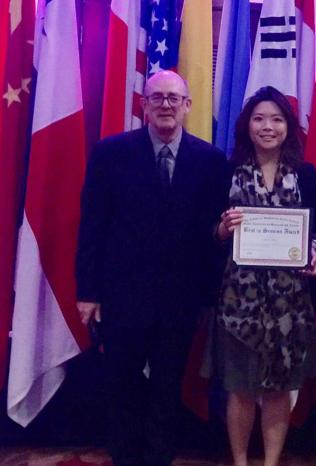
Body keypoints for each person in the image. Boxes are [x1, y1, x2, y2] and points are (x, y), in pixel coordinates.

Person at [75, 70, 229, 466]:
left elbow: (213, 233)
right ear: (143, 104)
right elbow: (92, 225)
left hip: (180, 300)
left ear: (188, 106)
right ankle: (125, 459)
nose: (165, 105)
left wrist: (212, 294)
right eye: (156, 97)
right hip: (121, 297)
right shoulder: (110, 154)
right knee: (122, 388)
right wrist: (87, 291)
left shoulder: (210, 161)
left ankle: (159, 459)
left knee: (167, 389)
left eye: (173, 98)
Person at [207, 86, 316, 466]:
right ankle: (241, 461)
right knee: (241, 389)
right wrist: (223, 231)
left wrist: (312, 251)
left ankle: (271, 461)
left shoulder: (305, 174)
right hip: (237, 301)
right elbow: (206, 229)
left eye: (276, 119)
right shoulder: (225, 171)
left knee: (279, 390)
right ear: (247, 126)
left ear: (287, 127)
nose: (267, 126)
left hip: (290, 301)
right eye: (259, 118)